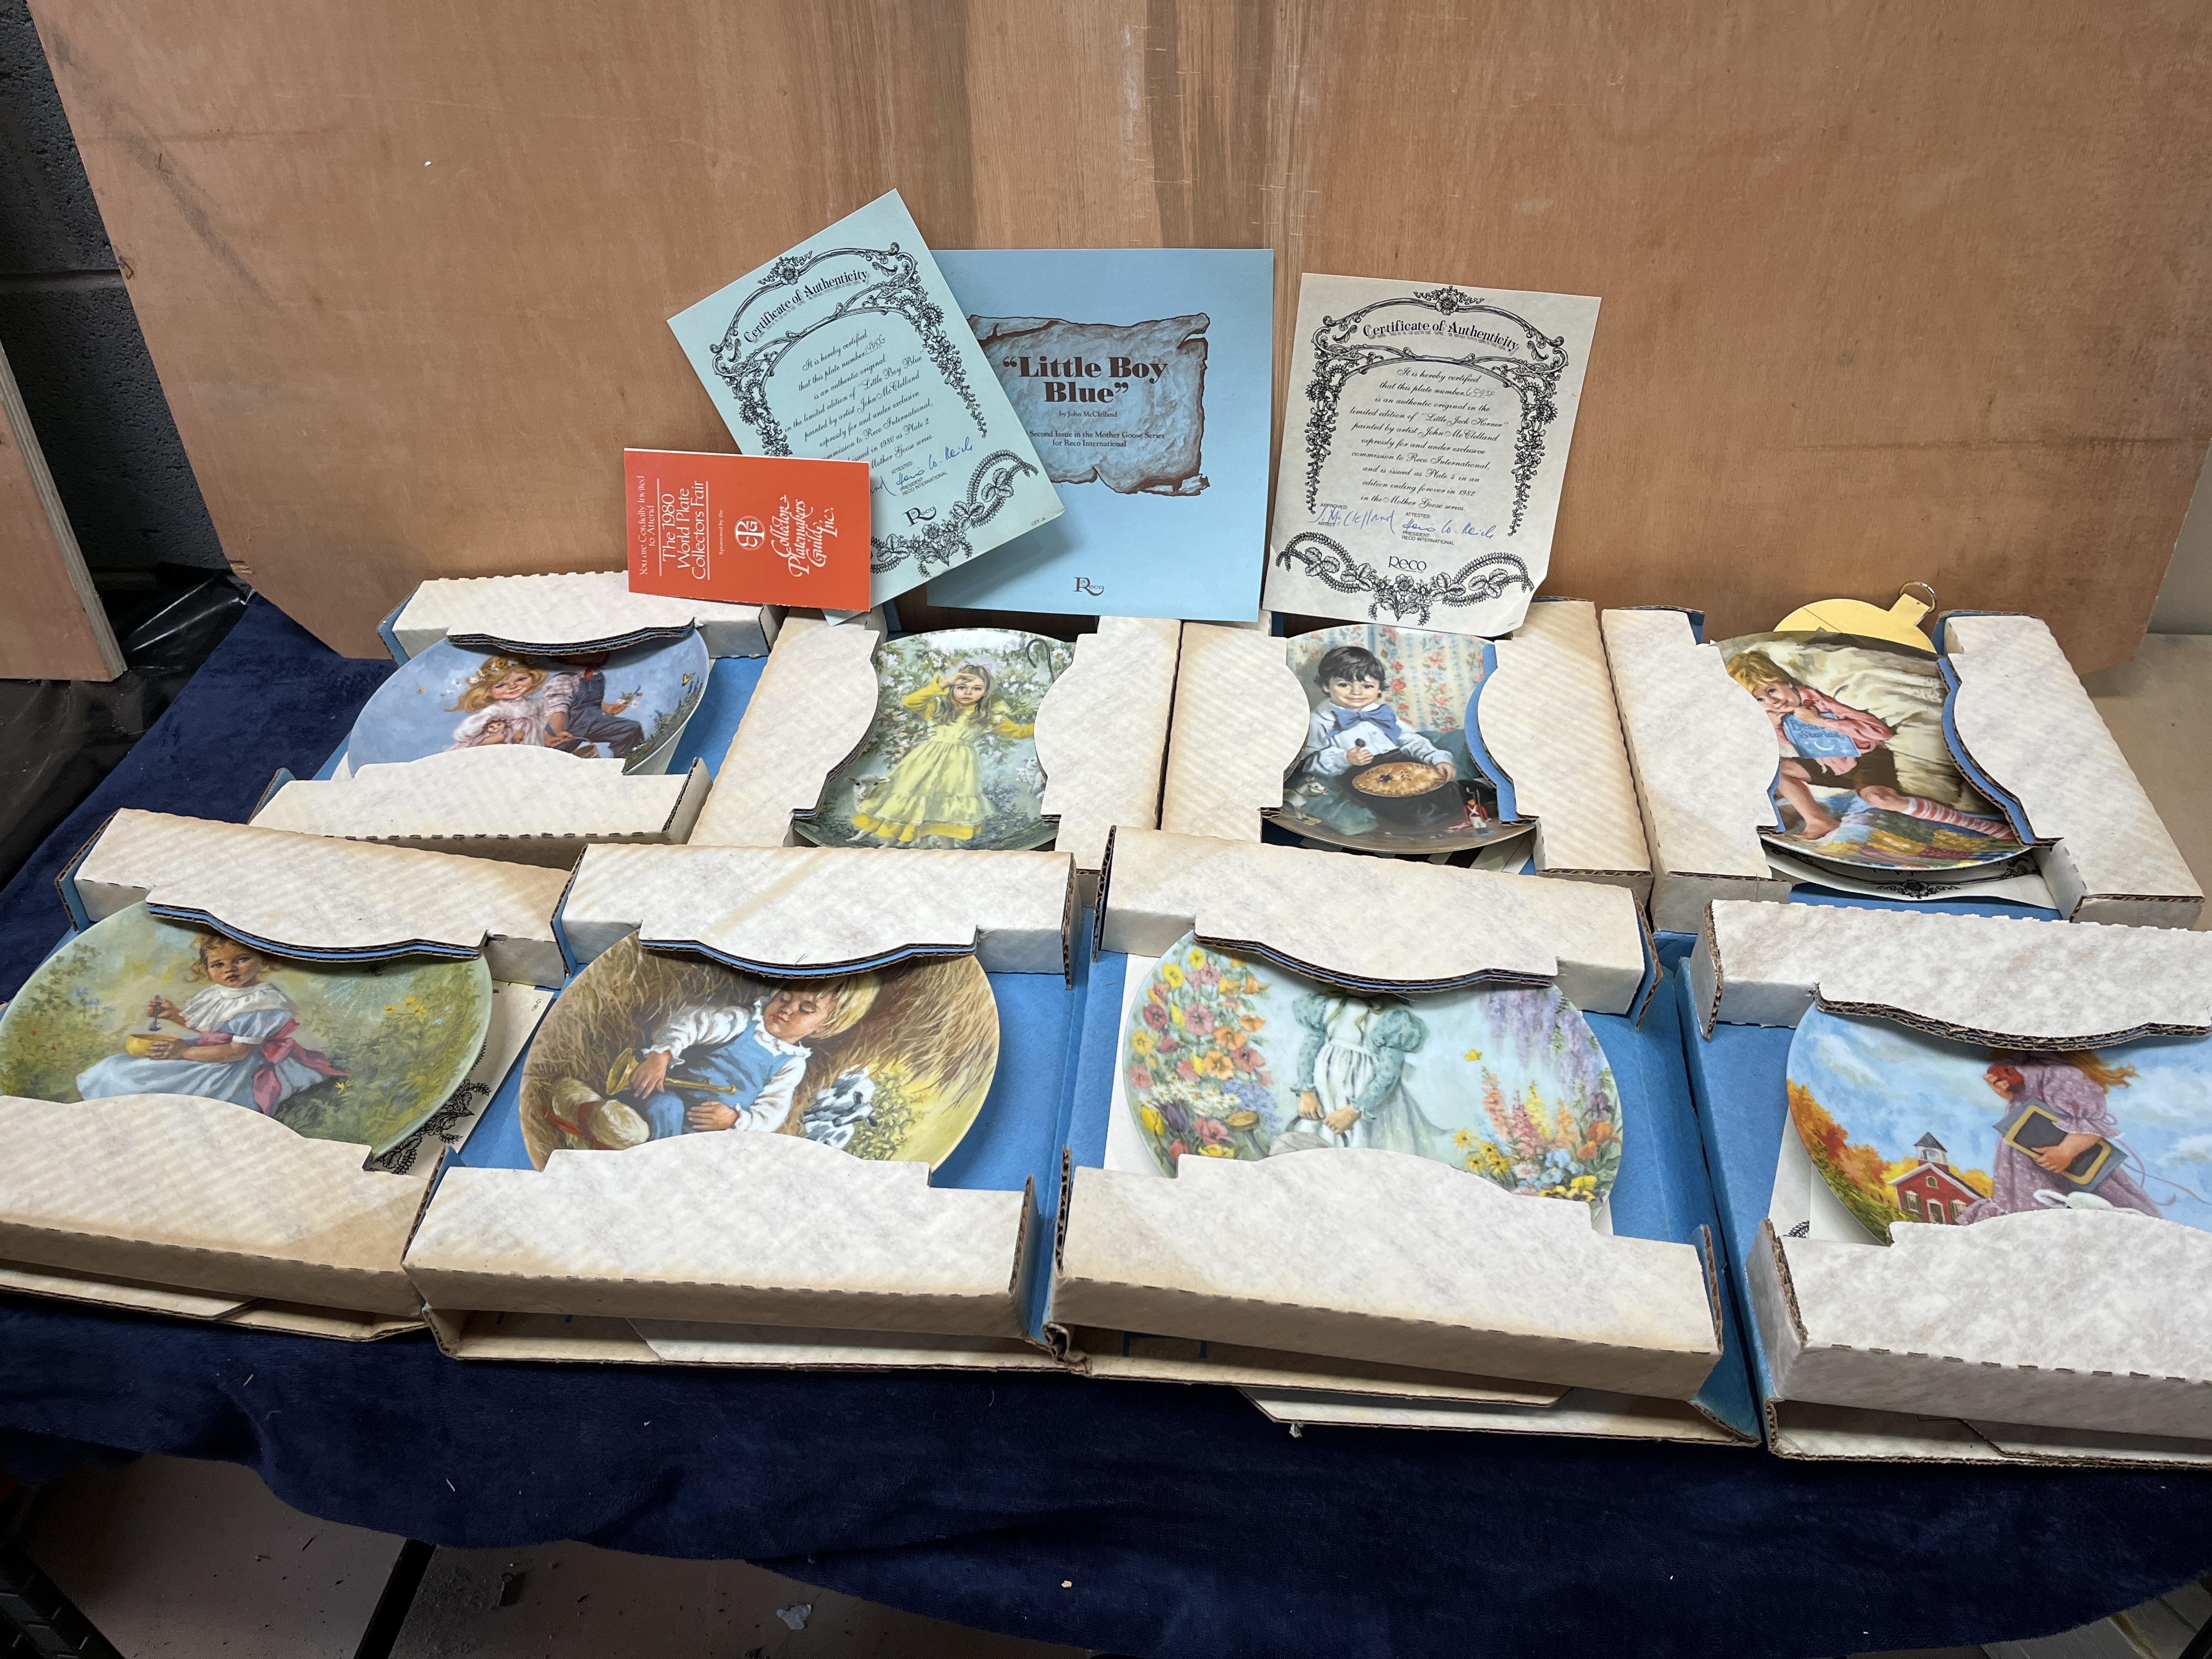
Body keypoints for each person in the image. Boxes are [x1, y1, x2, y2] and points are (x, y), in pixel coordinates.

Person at [1726, 652, 2011, 842]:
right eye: (1760, 700)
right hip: (1830, 764)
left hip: (1865, 757)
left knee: (1879, 797)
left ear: (1787, 683)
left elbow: (1878, 732)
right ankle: (1819, 821)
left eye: (1772, 690)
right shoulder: (1780, 716)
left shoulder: (1820, 703)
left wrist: (1821, 721)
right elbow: (1799, 745)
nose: (1772, 702)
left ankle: (1977, 825)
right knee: (1778, 768)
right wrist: (1776, 726)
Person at [77, 934, 344, 1114]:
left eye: (242, 959)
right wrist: (175, 1016)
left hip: (234, 1064)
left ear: (263, 959)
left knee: (156, 1083)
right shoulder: (218, 994)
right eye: (218, 964)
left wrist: (184, 1052)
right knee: (118, 1067)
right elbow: (214, 1029)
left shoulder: (263, 1003)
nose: (230, 969)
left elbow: (237, 1051)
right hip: (212, 1049)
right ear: (206, 969)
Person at [618, 977, 879, 1140]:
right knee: (666, 1109)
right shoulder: (741, 1022)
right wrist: (661, 1056)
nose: (787, 1009)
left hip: (712, 1127)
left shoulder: (792, 1064)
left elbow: (772, 1111)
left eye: (805, 1009)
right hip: (671, 1094)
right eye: (784, 998)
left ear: (824, 1026)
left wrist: (734, 1120)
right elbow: (691, 1023)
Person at [1956, 1053, 2163, 1223]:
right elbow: (2034, 1109)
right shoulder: (2026, 1065)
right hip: (2026, 1165)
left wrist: (2067, 1150)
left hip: (2068, 1167)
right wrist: (2012, 1095)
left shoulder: (2063, 1073)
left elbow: (2089, 1125)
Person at [850, 662, 1035, 845]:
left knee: (947, 805)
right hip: (925, 761)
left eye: (977, 688)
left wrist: (1045, 722)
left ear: (986, 692)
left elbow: (1018, 732)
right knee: (909, 794)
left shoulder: (988, 714)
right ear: (953, 687)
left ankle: (947, 849)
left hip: (957, 767)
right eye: (961, 687)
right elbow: (910, 702)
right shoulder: (940, 708)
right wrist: (945, 683)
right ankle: (891, 840)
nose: (968, 692)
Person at [1272, 990, 1446, 1159]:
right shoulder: (1325, 1008)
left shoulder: (1392, 1020)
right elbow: (1308, 1052)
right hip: (1327, 1097)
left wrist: (1354, 1110)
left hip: (1369, 1102)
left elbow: (1388, 1076)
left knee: (1367, 1151)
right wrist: (1307, 1092)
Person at [1295, 645, 1455, 785]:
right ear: (1326, 686)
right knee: (1408, 805)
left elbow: (1410, 739)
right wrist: (1345, 758)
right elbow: (1308, 762)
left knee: (1444, 789)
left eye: (1367, 686)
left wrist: (1437, 758)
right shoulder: (1319, 720)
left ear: (1379, 688)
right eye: (1344, 685)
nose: (1356, 692)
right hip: (1357, 772)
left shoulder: (1380, 712)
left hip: (1399, 763)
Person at [543, 651, 645, 759]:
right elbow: (557, 709)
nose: (592, 652)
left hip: (592, 722)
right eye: (581, 651)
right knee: (554, 755)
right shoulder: (563, 679)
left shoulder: (595, 674)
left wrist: (608, 708)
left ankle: (625, 760)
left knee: (631, 729)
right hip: (569, 725)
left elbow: (591, 699)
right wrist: (558, 731)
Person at [447, 656, 553, 751]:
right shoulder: (497, 710)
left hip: (532, 748)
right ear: (487, 691)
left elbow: (536, 726)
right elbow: (470, 736)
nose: (513, 687)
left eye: (521, 679)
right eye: (501, 686)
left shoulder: (533, 704)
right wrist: (508, 735)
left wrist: (546, 738)